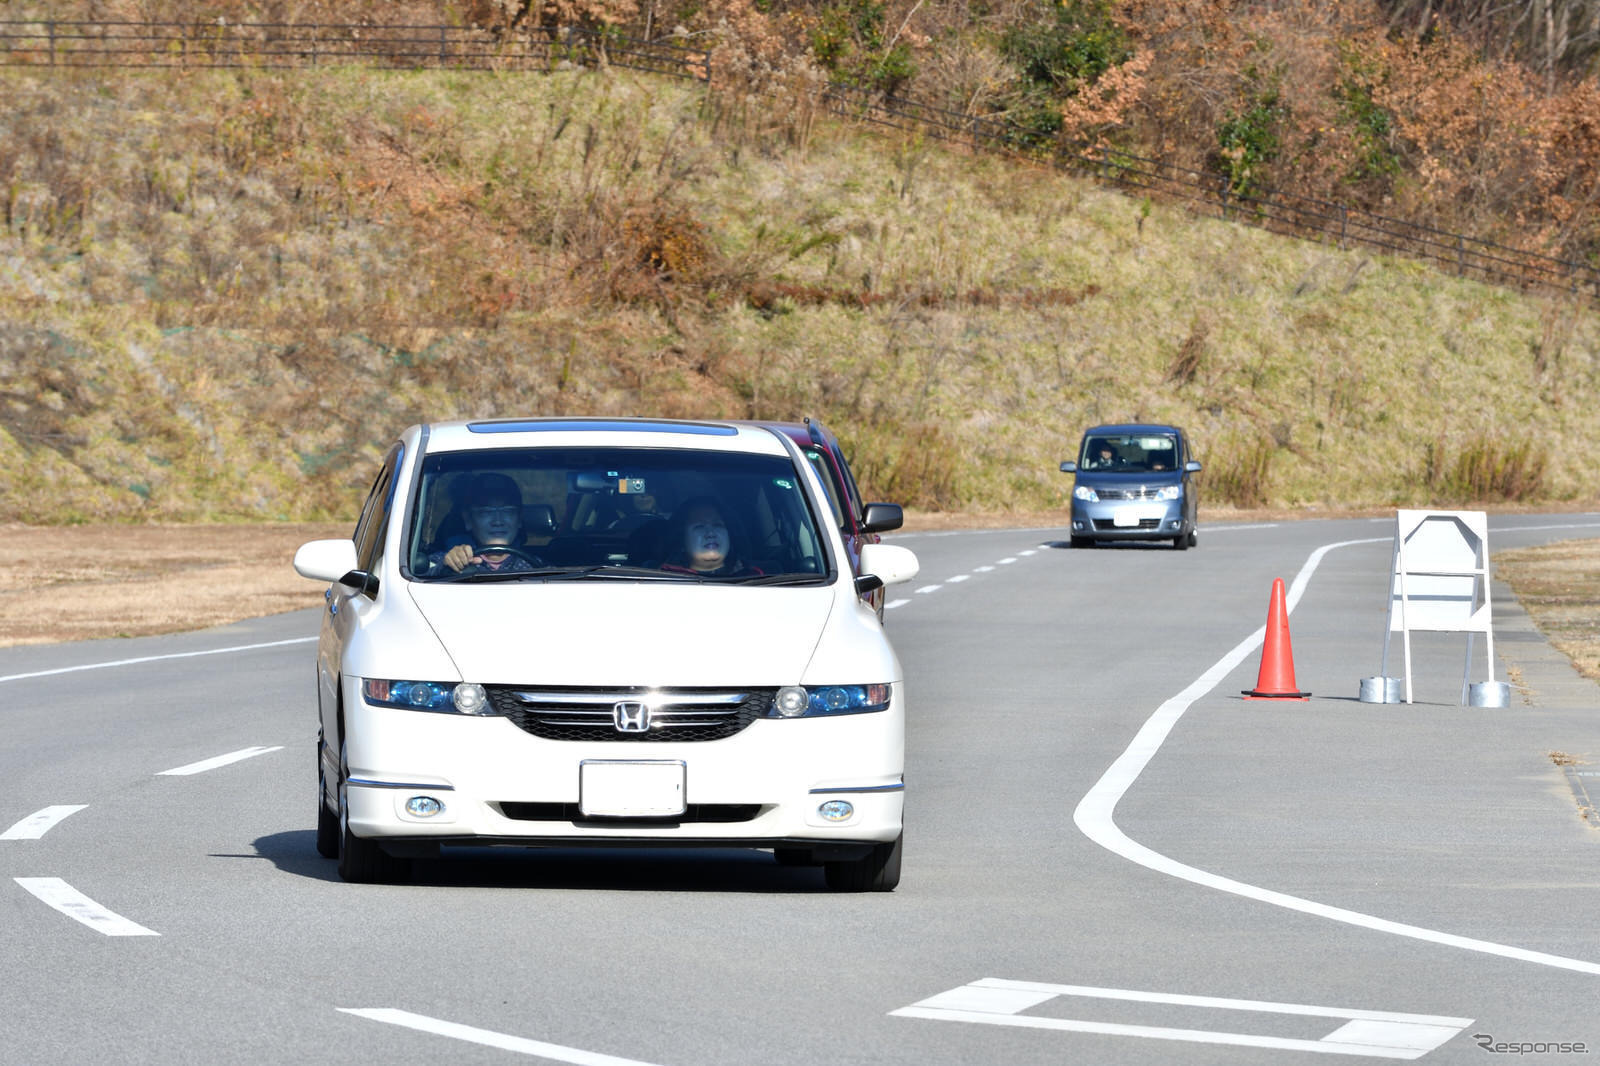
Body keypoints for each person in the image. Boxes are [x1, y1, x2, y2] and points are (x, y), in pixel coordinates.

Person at [431, 472, 543, 575]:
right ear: (468, 520)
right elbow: (422, 573)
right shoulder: (447, 559)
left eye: (508, 511)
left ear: (519, 519)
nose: (498, 521)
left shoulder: (537, 566)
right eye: (485, 512)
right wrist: (449, 563)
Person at [661, 496, 761, 577]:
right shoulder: (662, 580)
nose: (711, 533)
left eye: (717, 525)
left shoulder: (758, 578)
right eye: (699, 526)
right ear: (682, 539)